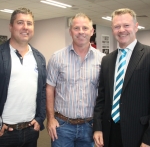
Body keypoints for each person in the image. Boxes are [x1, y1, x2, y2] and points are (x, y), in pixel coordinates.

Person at [93, 8, 150, 147]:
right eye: (117, 26)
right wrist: (98, 127)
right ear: (112, 29)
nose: (121, 30)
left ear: (136, 27)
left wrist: (148, 139)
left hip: (138, 133)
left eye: (126, 25)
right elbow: (102, 98)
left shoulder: (148, 55)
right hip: (109, 132)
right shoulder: (107, 60)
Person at [46, 13, 105, 147]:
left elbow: (103, 95)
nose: (81, 32)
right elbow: (49, 87)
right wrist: (50, 119)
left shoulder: (102, 59)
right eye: (76, 28)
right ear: (70, 31)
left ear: (92, 31)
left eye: (85, 28)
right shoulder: (57, 57)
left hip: (90, 126)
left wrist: (100, 125)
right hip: (62, 126)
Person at [0, 8, 46, 147]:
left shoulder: (39, 58)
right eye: (20, 22)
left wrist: (40, 118)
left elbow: (42, 91)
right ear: (11, 27)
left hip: (31, 131)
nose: (25, 27)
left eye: (29, 23)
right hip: (5, 133)